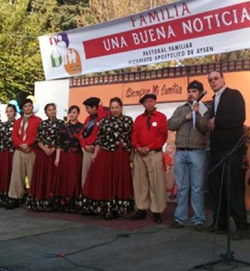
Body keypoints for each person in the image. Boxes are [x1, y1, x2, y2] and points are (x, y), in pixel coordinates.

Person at [207, 70, 249, 240]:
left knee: (233, 188)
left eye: (216, 78)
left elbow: (240, 117)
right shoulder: (213, 100)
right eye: (210, 80)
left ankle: (242, 226)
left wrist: (217, 121)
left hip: (232, 149)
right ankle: (221, 224)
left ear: (223, 79)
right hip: (217, 151)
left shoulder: (234, 95)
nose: (213, 81)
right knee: (216, 188)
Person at [79, 97, 134, 220]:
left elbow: (131, 139)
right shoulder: (104, 120)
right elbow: (99, 139)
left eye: (117, 107)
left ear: (121, 107)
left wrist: (130, 152)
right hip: (105, 153)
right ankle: (103, 208)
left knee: (118, 180)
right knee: (103, 180)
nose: (115, 110)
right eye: (113, 107)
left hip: (121, 154)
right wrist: (95, 155)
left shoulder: (128, 121)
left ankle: (117, 209)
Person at [168, 81, 209, 231]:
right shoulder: (181, 108)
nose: (191, 94)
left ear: (200, 93)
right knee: (182, 188)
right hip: (180, 152)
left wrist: (196, 113)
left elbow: (205, 127)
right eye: (189, 91)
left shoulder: (205, 109)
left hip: (197, 152)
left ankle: (198, 220)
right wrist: (185, 117)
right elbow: (170, 125)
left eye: (195, 91)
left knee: (197, 188)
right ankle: (180, 219)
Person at [131, 93, 168, 223]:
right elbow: (134, 135)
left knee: (156, 182)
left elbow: (163, 136)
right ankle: (141, 208)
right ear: (143, 104)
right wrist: (138, 147)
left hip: (154, 154)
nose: (149, 104)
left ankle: (157, 211)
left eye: (151, 101)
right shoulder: (138, 119)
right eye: (146, 102)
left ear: (155, 102)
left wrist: (150, 147)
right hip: (139, 154)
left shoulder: (161, 117)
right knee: (140, 182)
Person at [26, 103, 64, 211]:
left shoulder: (61, 124)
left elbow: (61, 140)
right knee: (43, 176)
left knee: (54, 177)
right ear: (46, 112)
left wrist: (52, 149)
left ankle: (53, 202)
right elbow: (38, 139)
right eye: (49, 110)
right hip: (43, 154)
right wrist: (45, 149)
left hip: (55, 153)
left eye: (53, 109)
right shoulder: (42, 124)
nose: (52, 111)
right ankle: (41, 201)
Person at [5, 99, 41, 209]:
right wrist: (21, 145)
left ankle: (33, 198)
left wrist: (28, 144)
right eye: (25, 106)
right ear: (22, 108)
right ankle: (15, 198)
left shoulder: (38, 120)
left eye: (30, 105)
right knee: (16, 175)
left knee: (32, 175)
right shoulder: (18, 121)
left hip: (32, 150)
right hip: (19, 150)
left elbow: (37, 135)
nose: (28, 108)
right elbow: (14, 136)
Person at [52, 105, 83, 212]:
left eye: (74, 112)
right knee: (65, 178)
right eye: (70, 112)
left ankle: (75, 202)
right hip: (65, 156)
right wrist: (57, 158)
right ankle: (63, 203)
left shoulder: (82, 127)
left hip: (77, 156)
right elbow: (58, 144)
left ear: (78, 113)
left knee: (75, 178)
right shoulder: (63, 127)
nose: (72, 114)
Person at [78, 97, 108, 186]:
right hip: (88, 150)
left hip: (99, 152)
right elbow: (80, 135)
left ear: (95, 107)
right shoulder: (88, 119)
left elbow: (103, 120)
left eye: (88, 108)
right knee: (86, 176)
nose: (86, 110)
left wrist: (100, 107)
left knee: (98, 177)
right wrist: (85, 146)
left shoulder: (103, 116)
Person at [0, 105, 16, 206]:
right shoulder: (2, 124)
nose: (9, 113)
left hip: (12, 152)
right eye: (7, 111)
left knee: (10, 173)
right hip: (2, 151)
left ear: (15, 112)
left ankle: (11, 196)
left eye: (11, 111)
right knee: (2, 173)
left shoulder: (18, 124)